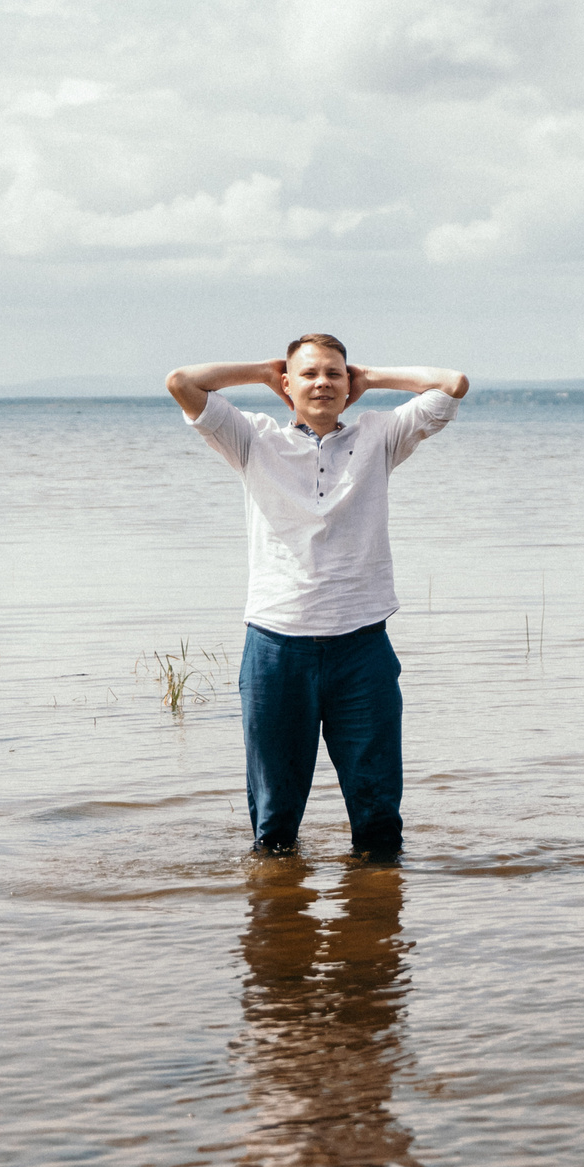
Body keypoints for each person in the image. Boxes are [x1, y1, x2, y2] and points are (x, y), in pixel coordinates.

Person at [166, 335, 470, 862]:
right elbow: (181, 382)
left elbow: (452, 384)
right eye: (307, 374)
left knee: (379, 822)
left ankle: (373, 927)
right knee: (274, 824)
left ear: (348, 382)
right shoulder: (253, 439)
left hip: (362, 648)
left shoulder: (380, 435)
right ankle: (279, 928)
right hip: (277, 646)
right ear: (287, 384)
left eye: (334, 373)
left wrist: (371, 377)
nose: (322, 383)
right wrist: (262, 372)